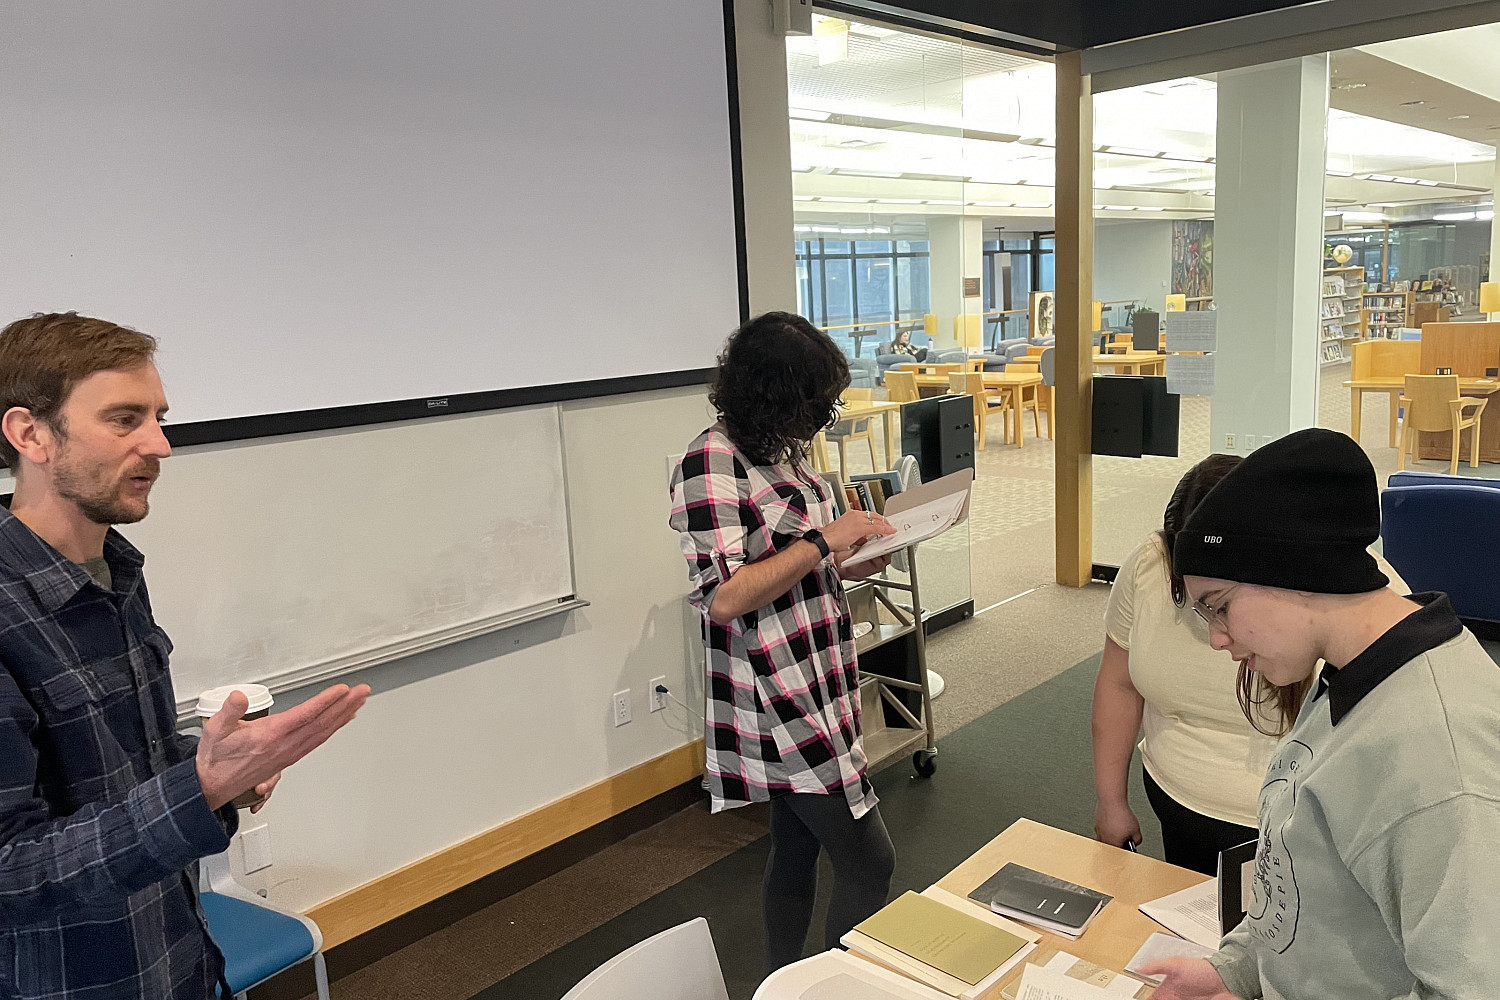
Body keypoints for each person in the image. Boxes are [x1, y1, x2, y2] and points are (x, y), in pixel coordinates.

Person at [0, 312, 371, 999]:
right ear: (30, 435)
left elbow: (116, 776)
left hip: (177, 958)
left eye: (159, 418)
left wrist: (219, 769)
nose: (160, 445)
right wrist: (198, 790)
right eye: (124, 419)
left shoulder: (114, 573)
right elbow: (9, 873)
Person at [1140, 428, 1500, 1000]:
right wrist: (1235, 970)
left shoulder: (1439, 758)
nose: (1216, 638)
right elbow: (1303, 879)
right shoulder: (1354, 671)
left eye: (1220, 607)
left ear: (1294, 573)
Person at [669, 311, 899, 972]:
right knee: (870, 861)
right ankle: (832, 987)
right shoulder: (710, 462)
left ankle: (781, 981)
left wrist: (853, 557)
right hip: (776, 697)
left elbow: (795, 562)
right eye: (813, 403)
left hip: (819, 676)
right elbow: (725, 596)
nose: (822, 418)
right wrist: (825, 541)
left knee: (796, 848)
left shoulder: (783, 450)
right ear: (771, 395)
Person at [1092, 454, 1300, 875]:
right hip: (1178, 806)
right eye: (1198, 604)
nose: (1216, 637)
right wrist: (1111, 801)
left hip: (1292, 832)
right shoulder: (1150, 563)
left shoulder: (1332, 598)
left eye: (1220, 605)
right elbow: (1118, 685)